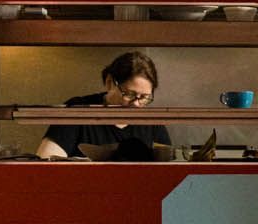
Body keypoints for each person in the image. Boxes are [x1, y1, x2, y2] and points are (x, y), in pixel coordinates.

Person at [35, 51, 172, 161]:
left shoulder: (152, 121)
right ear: (110, 83)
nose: (136, 104)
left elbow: (169, 170)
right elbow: (46, 159)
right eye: (129, 94)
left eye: (144, 97)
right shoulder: (78, 110)